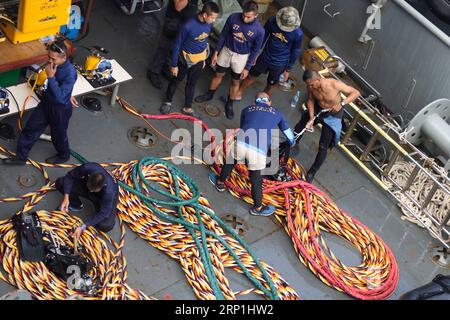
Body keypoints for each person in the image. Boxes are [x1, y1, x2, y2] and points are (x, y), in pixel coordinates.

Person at [209, 92, 295, 216]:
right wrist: (291, 142)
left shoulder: (247, 109)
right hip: (259, 152)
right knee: (256, 179)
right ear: (269, 102)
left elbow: (243, 126)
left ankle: (220, 183)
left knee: (230, 162)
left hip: (242, 143)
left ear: (255, 102)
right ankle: (257, 208)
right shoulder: (277, 113)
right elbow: (288, 133)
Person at [3, 40, 77, 165]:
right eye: (49, 57)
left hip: (60, 110)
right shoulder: (55, 65)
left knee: (58, 135)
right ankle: (21, 157)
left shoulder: (70, 73)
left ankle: (64, 155)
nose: (50, 61)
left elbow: (60, 99)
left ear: (64, 57)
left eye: (53, 59)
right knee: (31, 129)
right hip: (46, 103)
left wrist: (51, 77)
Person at [194, 1, 265, 119]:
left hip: (241, 56)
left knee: (235, 81)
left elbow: (256, 50)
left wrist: (247, 68)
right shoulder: (233, 18)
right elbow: (223, 35)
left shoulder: (259, 30)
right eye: (244, 15)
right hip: (226, 50)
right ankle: (209, 94)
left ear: (255, 16)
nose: (245, 18)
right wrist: (216, 52)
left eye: (248, 17)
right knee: (218, 74)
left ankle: (229, 103)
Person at [293, 70, 360, 183]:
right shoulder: (311, 86)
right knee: (300, 126)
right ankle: (293, 145)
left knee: (323, 146)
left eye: (311, 84)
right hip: (319, 110)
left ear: (318, 80)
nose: (310, 87)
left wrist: (342, 104)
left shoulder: (334, 84)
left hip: (333, 115)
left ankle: (312, 172)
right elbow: (310, 100)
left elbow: (356, 92)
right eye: (308, 85)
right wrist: (311, 118)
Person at [160, 1, 220, 117]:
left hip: (199, 59)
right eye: (212, 18)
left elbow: (204, 40)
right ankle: (167, 101)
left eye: (215, 18)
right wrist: (174, 65)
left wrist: (202, 59)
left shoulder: (209, 24)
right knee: (176, 81)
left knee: (192, 83)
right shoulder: (188, 25)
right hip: (184, 59)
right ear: (204, 15)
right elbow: (177, 44)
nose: (214, 21)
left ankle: (187, 107)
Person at [238, 6, 303, 99]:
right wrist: (256, 53)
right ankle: (239, 91)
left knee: (271, 84)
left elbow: (295, 51)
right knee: (251, 75)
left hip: (280, 63)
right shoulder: (272, 21)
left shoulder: (298, 34)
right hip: (265, 56)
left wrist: (288, 69)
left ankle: (264, 100)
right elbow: (263, 37)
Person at [55, 162, 119, 238]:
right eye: (90, 188)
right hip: (86, 186)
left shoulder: (109, 192)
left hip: (101, 198)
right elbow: (70, 176)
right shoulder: (87, 168)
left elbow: (104, 213)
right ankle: (76, 204)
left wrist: (84, 226)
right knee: (61, 182)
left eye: (93, 190)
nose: (91, 191)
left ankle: (96, 206)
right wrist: (66, 197)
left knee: (105, 225)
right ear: (90, 176)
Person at [147, 0, 201, 89]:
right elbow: (178, 7)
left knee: (174, 48)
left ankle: (165, 66)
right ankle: (153, 71)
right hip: (173, 20)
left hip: (186, 22)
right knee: (164, 47)